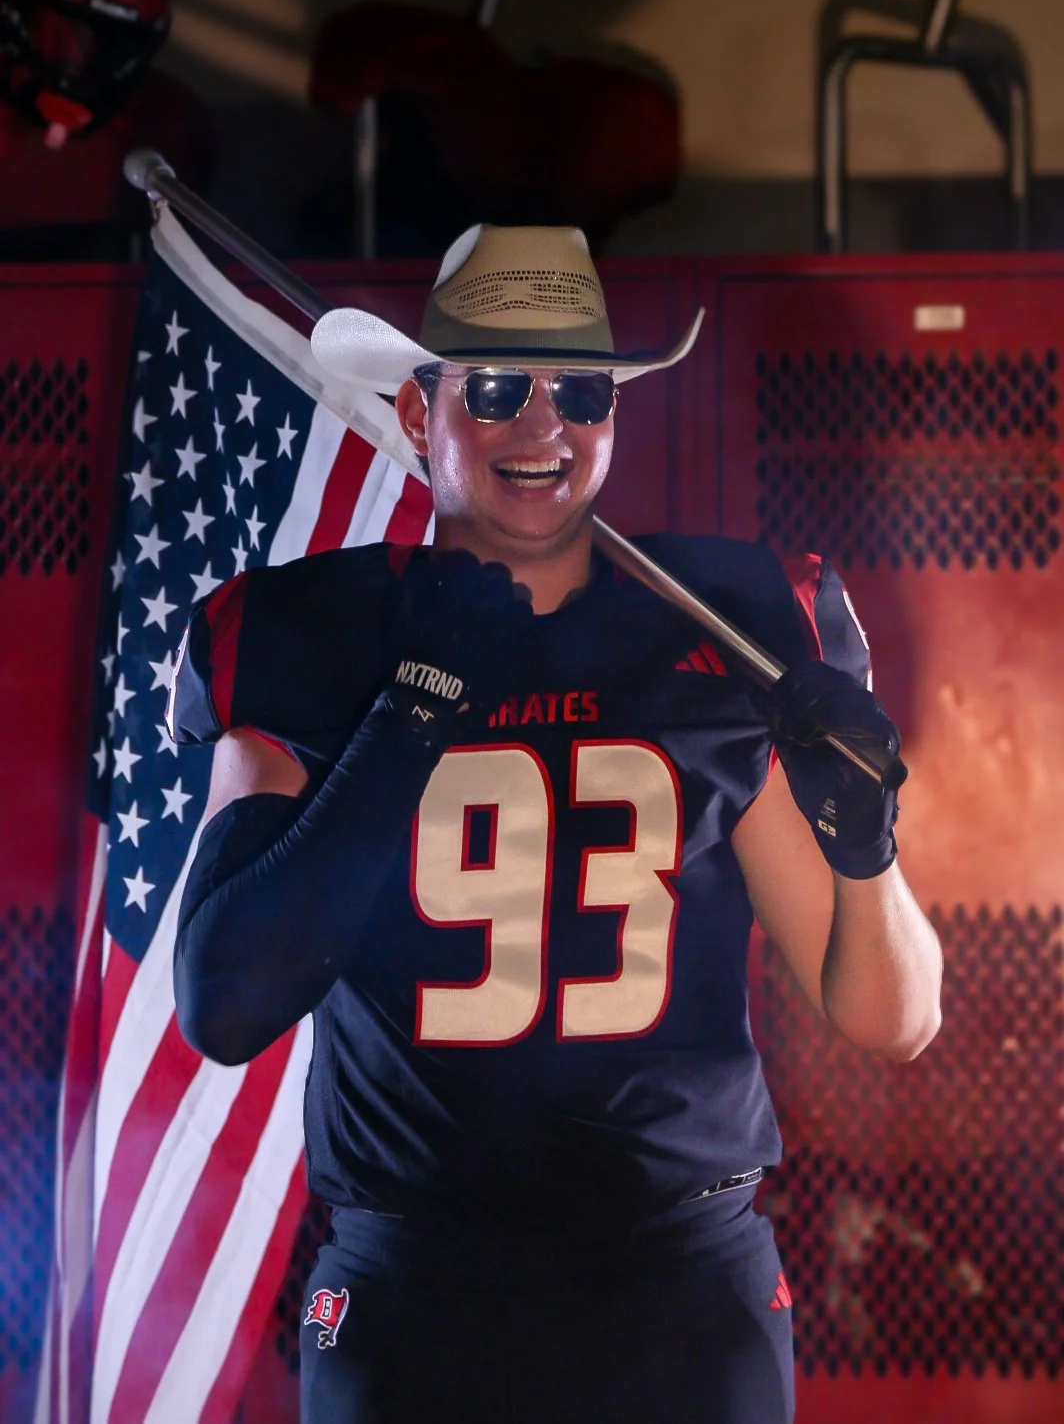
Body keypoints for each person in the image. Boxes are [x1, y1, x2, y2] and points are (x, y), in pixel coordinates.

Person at [169, 224, 943, 1424]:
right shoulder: (312, 634)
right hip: (417, 1278)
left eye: (579, 391)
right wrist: (414, 705)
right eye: (494, 388)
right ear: (419, 415)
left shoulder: (724, 628)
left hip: (679, 1278)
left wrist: (866, 851)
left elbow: (890, 1018)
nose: (543, 427)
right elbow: (226, 1000)